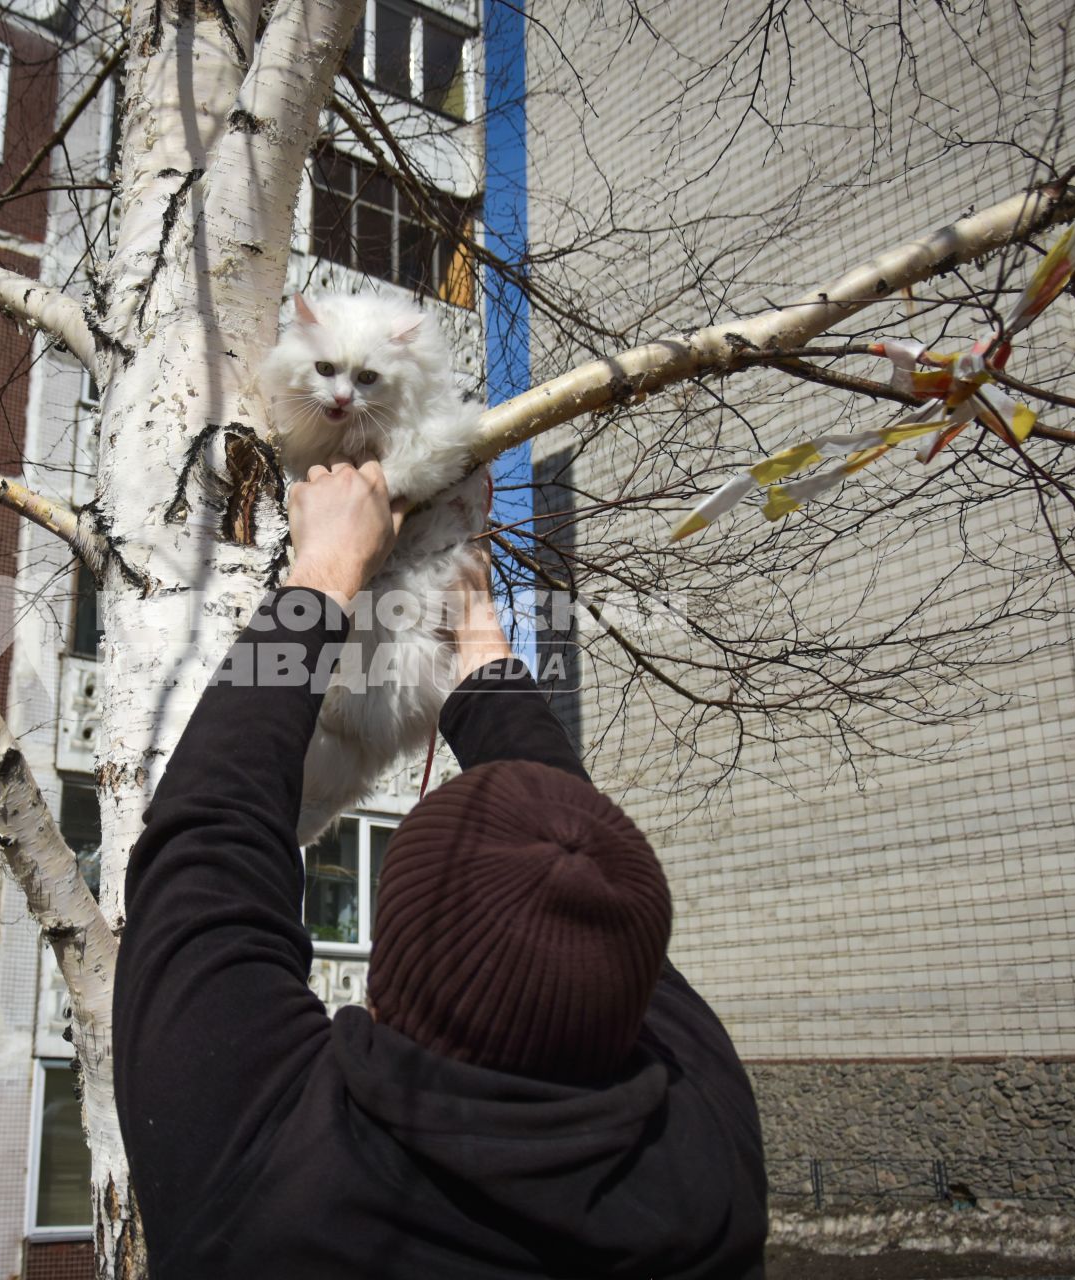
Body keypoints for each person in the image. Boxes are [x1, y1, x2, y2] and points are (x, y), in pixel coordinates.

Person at [113, 459, 769, 1279]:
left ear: (388, 975)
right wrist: (475, 634)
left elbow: (207, 839)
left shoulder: (269, 1179)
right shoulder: (706, 1166)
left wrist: (322, 575)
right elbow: (583, 883)